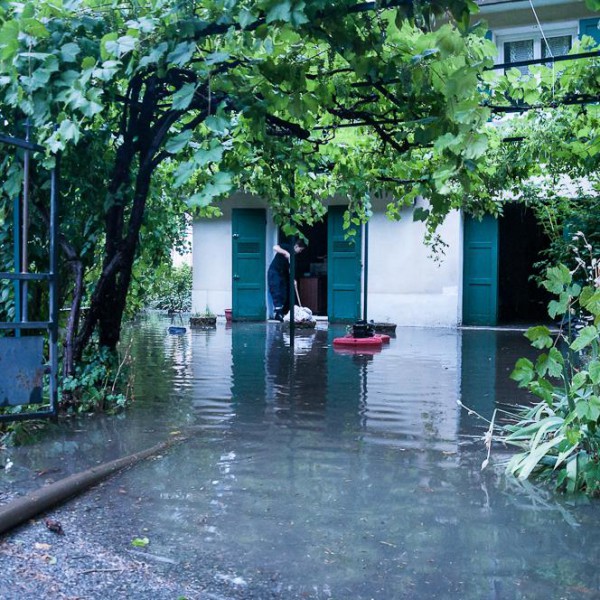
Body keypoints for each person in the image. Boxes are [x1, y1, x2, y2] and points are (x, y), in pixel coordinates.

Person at [268, 239, 306, 321]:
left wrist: (293, 279)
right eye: (300, 249)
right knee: (276, 291)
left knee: (283, 293)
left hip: (282, 274)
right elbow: (275, 247)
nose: (300, 252)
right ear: (296, 246)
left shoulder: (294, 257)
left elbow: (290, 269)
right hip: (274, 272)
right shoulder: (286, 247)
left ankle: (280, 312)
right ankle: (278, 313)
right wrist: (285, 253)